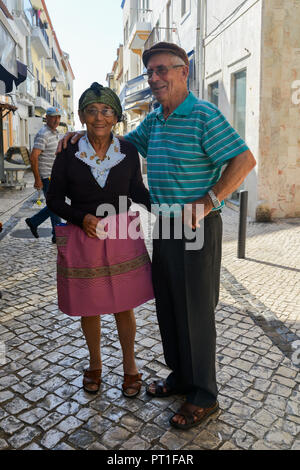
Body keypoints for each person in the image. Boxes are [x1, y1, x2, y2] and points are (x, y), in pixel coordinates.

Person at [58, 42, 256, 430]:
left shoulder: (202, 115)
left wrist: (208, 201)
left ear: (184, 71)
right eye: (150, 72)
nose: (154, 78)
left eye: (162, 70)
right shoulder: (157, 118)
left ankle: (203, 395)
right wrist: (77, 137)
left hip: (196, 226)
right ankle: (181, 376)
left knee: (196, 311)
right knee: (168, 305)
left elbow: (244, 159)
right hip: (164, 225)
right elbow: (120, 142)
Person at [46, 83, 154, 396]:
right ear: (81, 116)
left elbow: (136, 191)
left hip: (122, 235)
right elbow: (54, 199)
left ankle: (130, 367)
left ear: (117, 116)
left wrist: (167, 208)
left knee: (124, 307)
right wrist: (82, 218)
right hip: (83, 236)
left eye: (106, 110)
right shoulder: (69, 152)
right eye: (91, 111)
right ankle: (95, 364)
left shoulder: (129, 151)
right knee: (89, 306)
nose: (99, 117)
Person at [26, 107, 62, 244]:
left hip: (54, 176)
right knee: (56, 204)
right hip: (47, 177)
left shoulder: (55, 133)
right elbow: (34, 157)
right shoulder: (44, 134)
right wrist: (38, 179)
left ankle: (34, 222)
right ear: (46, 117)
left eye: (58, 117)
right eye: (53, 117)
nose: (56, 120)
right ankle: (57, 234)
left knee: (55, 204)